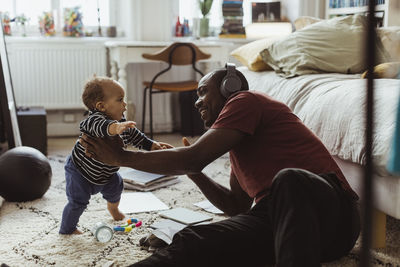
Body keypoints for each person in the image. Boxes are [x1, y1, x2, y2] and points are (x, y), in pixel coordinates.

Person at [81, 64, 360, 267]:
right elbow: (237, 206)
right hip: (281, 224)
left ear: (230, 87)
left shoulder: (245, 100)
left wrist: (122, 158)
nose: (197, 101)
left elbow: (194, 157)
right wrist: (194, 172)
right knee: (193, 239)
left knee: (289, 180)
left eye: (203, 92)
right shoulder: (239, 147)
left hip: (332, 215)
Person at [59, 76, 172, 235]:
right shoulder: (93, 121)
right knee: (78, 202)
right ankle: (67, 229)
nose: (125, 104)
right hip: (80, 172)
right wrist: (116, 128)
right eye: (120, 100)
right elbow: (103, 127)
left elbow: (137, 137)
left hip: (107, 173)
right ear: (101, 106)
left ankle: (113, 209)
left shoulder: (122, 122)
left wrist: (152, 145)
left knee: (117, 186)